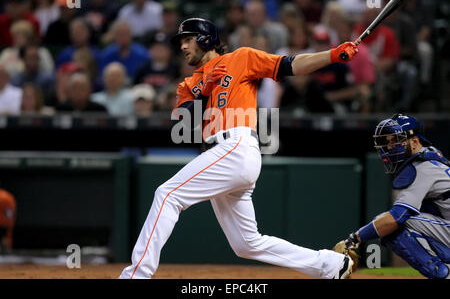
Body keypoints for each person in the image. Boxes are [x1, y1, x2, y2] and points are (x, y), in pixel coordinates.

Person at [119, 17, 359, 279]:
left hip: (236, 145)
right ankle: (331, 265)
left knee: (167, 195)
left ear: (205, 39)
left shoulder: (241, 58)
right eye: (181, 41)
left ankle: (136, 275)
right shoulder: (188, 84)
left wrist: (333, 55)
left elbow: (291, 65)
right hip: (219, 154)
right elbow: (181, 123)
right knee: (246, 244)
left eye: (188, 39)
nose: (183, 46)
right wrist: (205, 87)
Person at [337, 114, 450, 279]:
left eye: (396, 140)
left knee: (390, 224)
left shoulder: (422, 167)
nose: (390, 147)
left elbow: (395, 218)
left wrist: (353, 239)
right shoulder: (431, 154)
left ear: (415, 141)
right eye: (388, 141)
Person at [0, 188, 16, 252]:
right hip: (6, 225)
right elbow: (9, 215)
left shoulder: (6, 197)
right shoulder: (9, 197)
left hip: (4, 225)